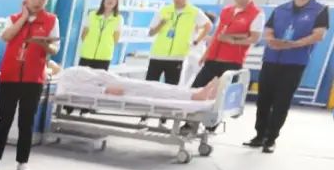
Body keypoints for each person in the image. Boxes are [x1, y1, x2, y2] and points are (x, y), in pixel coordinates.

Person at [0, 0, 59, 170]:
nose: (38, 1)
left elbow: (55, 49)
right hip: (10, 76)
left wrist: (45, 45)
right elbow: (6, 37)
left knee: (26, 121)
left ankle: (22, 162)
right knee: (4, 119)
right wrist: (23, 18)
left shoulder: (51, 20)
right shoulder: (13, 18)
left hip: (33, 79)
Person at [245, 0, 329, 153]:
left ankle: (271, 139)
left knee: (281, 101)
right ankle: (259, 135)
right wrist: (271, 40)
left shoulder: (320, 10)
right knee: (263, 100)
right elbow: (268, 29)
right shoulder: (281, 9)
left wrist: (294, 44)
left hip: (294, 63)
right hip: (271, 60)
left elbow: (319, 35)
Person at [191, 0, 263, 91]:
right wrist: (207, 53)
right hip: (213, 58)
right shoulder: (226, 10)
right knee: (196, 89)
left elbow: (255, 38)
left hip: (232, 62)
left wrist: (233, 41)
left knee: (226, 94)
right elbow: (217, 34)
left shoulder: (257, 14)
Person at [146, 0, 212, 85]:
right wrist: (161, 24)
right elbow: (151, 33)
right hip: (157, 55)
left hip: (177, 57)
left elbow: (208, 26)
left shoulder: (194, 12)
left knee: (171, 87)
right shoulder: (164, 10)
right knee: (149, 86)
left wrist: (196, 41)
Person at [55, 65, 220, 101]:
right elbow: (76, 89)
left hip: (112, 80)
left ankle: (195, 92)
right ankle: (194, 95)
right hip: (111, 86)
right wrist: (105, 91)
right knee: (151, 90)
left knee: (154, 85)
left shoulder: (66, 71)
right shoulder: (63, 79)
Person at [78, 0, 122, 70]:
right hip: (87, 54)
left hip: (104, 56)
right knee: (82, 76)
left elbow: (115, 39)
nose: (110, 0)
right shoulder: (92, 14)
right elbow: (83, 35)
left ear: (116, 3)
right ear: (103, 0)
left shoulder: (118, 19)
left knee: (99, 78)